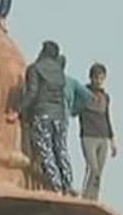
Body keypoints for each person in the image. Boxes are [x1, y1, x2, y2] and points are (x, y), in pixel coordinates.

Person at [8, 41, 93, 196]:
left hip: (43, 114)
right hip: (59, 116)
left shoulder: (35, 69)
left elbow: (32, 93)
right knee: (61, 149)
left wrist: (18, 110)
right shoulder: (59, 73)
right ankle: (67, 184)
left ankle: (55, 186)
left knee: (46, 150)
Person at [79, 62, 119, 201]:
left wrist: (112, 139)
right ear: (91, 78)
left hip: (103, 136)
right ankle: (85, 195)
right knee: (93, 167)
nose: (98, 81)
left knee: (99, 172)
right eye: (96, 78)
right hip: (88, 135)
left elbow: (107, 117)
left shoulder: (105, 97)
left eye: (101, 78)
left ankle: (93, 197)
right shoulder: (83, 93)